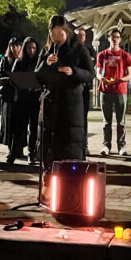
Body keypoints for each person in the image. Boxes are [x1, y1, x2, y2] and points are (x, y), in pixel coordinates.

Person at [36, 15, 95, 171]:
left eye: (60, 35)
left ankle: (71, 171)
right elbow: (38, 75)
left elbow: (90, 73)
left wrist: (73, 71)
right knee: (51, 141)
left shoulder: (79, 48)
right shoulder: (48, 50)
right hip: (52, 102)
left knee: (69, 142)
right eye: (53, 36)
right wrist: (46, 64)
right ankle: (49, 170)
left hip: (71, 104)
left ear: (66, 32)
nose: (57, 39)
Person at [96, 28, 131, 155]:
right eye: (112, 37)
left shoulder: (125, 55)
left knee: (120, 121)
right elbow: (98, 73)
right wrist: (102, 79)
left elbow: (130, 75)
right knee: (107, 121)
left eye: (117, 37)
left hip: (120, 91)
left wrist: (120, 80)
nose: (114, 39)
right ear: (108, 38)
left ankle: (121, 146)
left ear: (120, 39)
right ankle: (106, 145)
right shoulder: (102, 55)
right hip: (105, 91)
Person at [11, 36, 41, 164]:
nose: (31, 51)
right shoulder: (19, 62)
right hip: (22, 99)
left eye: (34, 48)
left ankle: (32, 153)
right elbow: (13, 78)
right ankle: (13, 152)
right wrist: (23, 85)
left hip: (35, 99)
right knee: (19, 127)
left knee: (34, 127)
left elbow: (43, 78)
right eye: (29, 48)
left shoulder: (39, 62)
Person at [0, 37, 22, 162]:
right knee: (8, 123)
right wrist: (10, 79)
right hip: (8, 96)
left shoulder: (23, 60)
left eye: (17, 46)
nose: (15, 48)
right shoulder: (5, 60)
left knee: (20, 124)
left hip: (21, 97)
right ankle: (11, 149)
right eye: (13, 46)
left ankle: (19, 148)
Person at [75, 27, 96, 156]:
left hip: (85, 90)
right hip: (73, 89)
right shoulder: (70, 50)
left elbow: (90, 70)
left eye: (82, 35)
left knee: (83, 118)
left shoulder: (90, 51)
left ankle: (84, 145)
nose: (80, 37)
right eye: (78, 35)